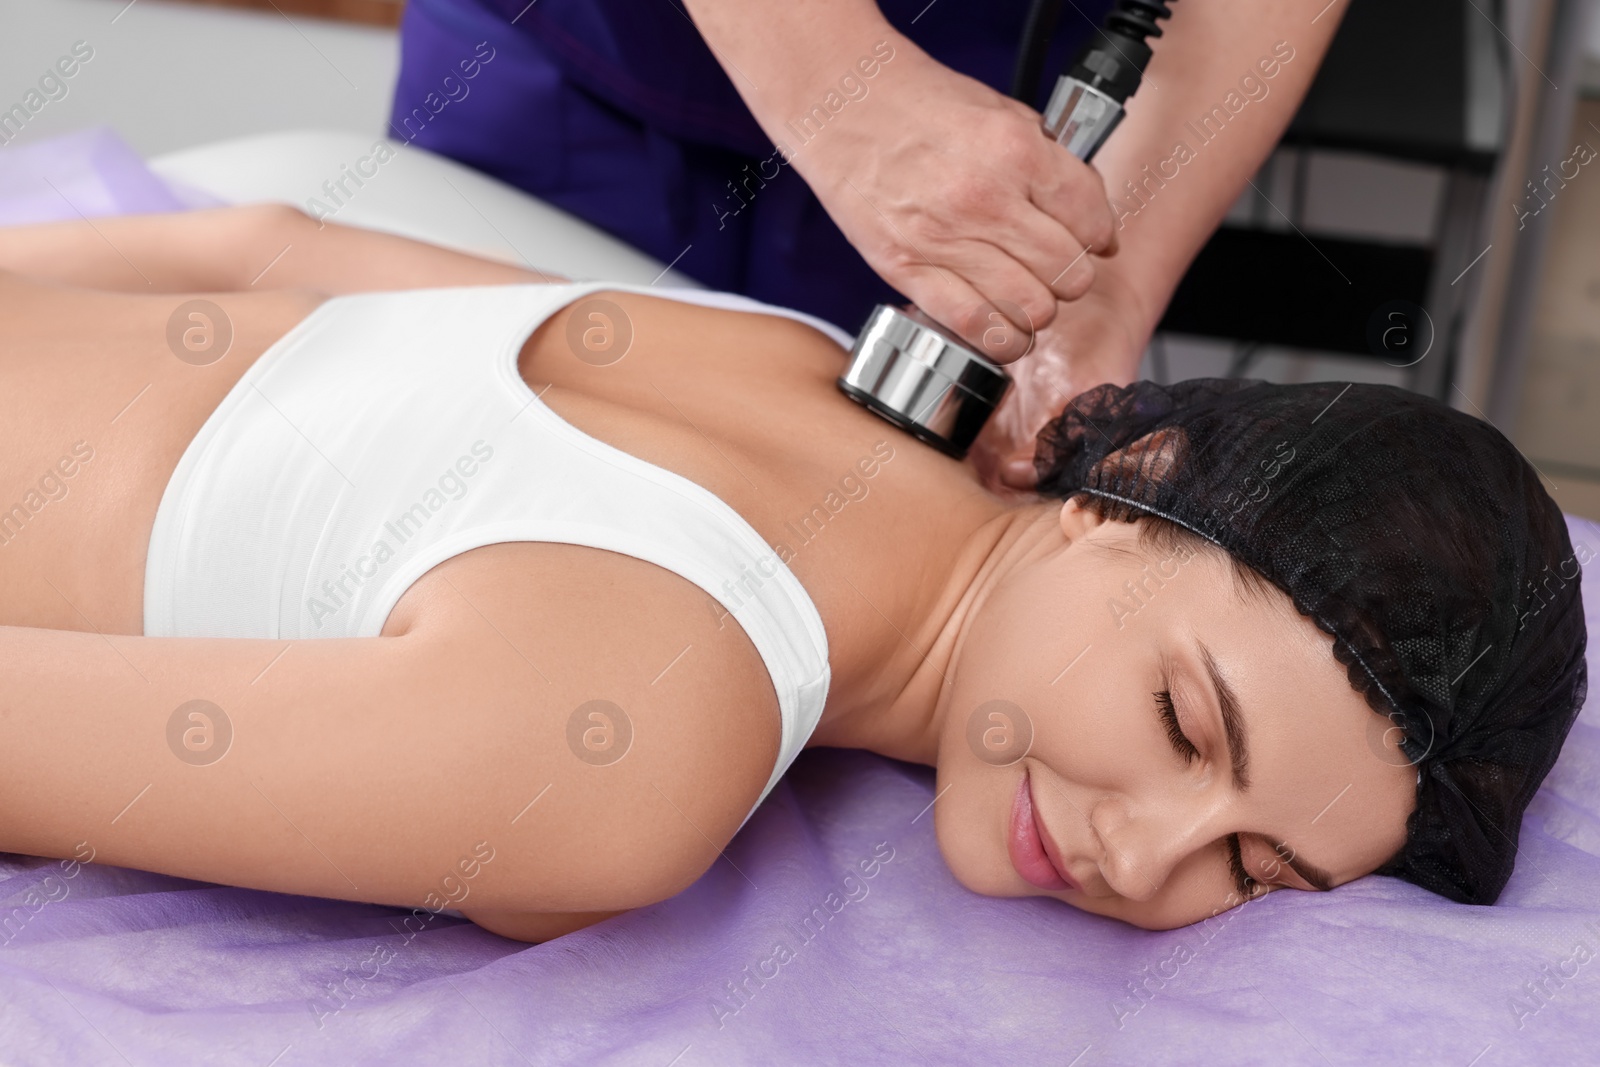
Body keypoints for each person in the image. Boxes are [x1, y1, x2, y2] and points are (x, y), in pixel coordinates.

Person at [0, 205, 1582, 942]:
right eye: (1183, 721)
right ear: (1136, 487)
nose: (1147, 856)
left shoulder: (811, 363)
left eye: (1253, 872)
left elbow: (252, 240)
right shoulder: (634, 752)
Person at [389, 0, 1351, 491]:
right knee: (457, 458)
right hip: (576, 63)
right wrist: (836, 88)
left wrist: (1102, 286)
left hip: (989, 132)